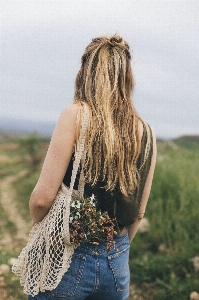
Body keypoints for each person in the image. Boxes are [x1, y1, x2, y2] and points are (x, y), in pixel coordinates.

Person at [28, 35, 157, 300]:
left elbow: (42, 200)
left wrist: (38, 229)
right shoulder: (147, 132)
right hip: (117, 261)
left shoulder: (75, 116)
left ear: (86, 72)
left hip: (66, 254)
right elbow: (139, 211)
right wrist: (116, 250)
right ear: (127, 77)